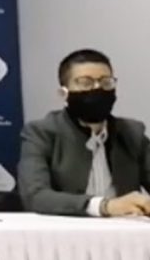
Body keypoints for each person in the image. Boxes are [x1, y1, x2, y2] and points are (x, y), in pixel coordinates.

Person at [18, 49, 150, 217]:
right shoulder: (41, 133)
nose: (98, 88)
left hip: (128, 230)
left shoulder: (132, 133)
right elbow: (35, 196)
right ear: (64, 93)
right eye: (85, 83)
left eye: (106, 82)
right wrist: (105, 206)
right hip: (66, 230)